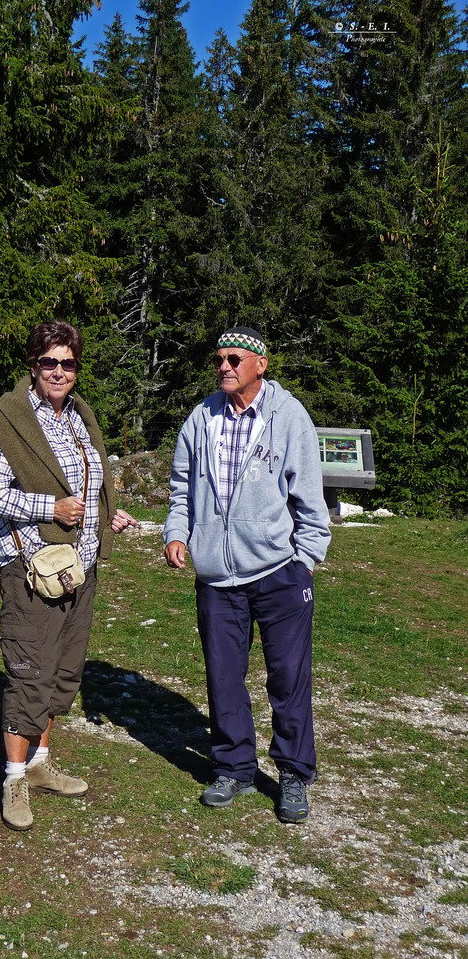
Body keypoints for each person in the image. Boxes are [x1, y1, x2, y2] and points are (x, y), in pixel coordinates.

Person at [163, 326, 331, 824]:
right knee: (223, 678)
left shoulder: (289, 416)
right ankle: (233, 767)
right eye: (218, 359)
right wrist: (179, 533)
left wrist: (306, 559)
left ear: (260, 363)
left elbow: (309, 497)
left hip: (280, 571)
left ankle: (294, 774)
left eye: (234, 358)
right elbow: (179, 489)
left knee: (288, 677)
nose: (224, 367)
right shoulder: (200, 419)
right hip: (217, 576)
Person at [0, 320, 137, 831]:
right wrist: (52, 507)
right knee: (29, 671)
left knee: (62, 669)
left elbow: (91, 481)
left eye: (68, 362)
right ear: (33, 365)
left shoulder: (79, 417)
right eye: (49, 361)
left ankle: (42, 766)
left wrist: (107, 515)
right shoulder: (11, 421)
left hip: (78, 566)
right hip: (31, 569)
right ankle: (14, 778)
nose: (59, 371)